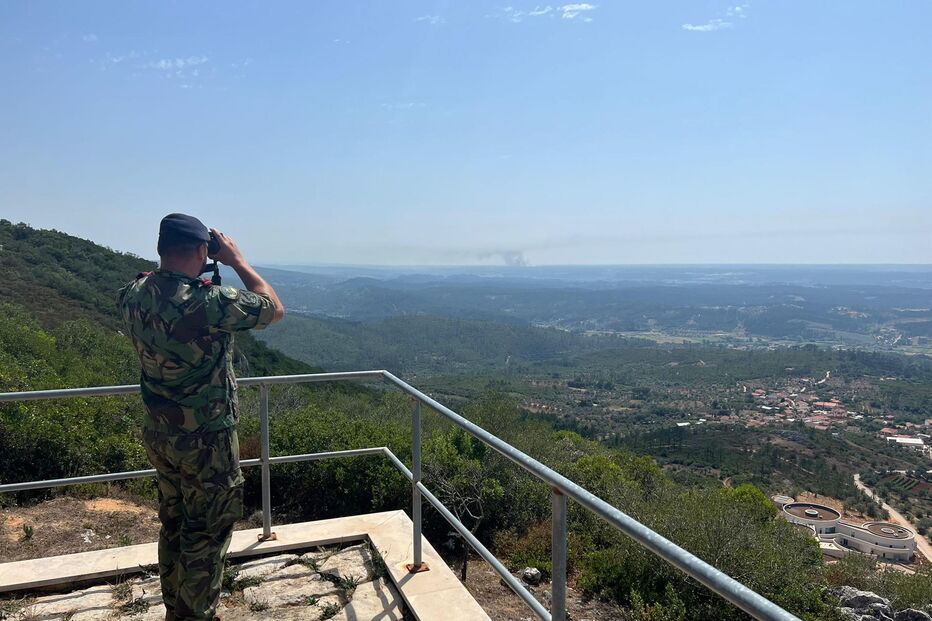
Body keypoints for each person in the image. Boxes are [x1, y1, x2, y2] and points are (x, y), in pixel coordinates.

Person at [118, 213, 284, 621]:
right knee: (206, 533)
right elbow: (273, 309)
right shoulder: (208, 302)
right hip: (207, 439)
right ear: (201, 251)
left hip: (160, 434)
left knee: (173, 523)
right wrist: (237, 261)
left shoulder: (132, 294)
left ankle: (177, 609)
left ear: (161, 249)